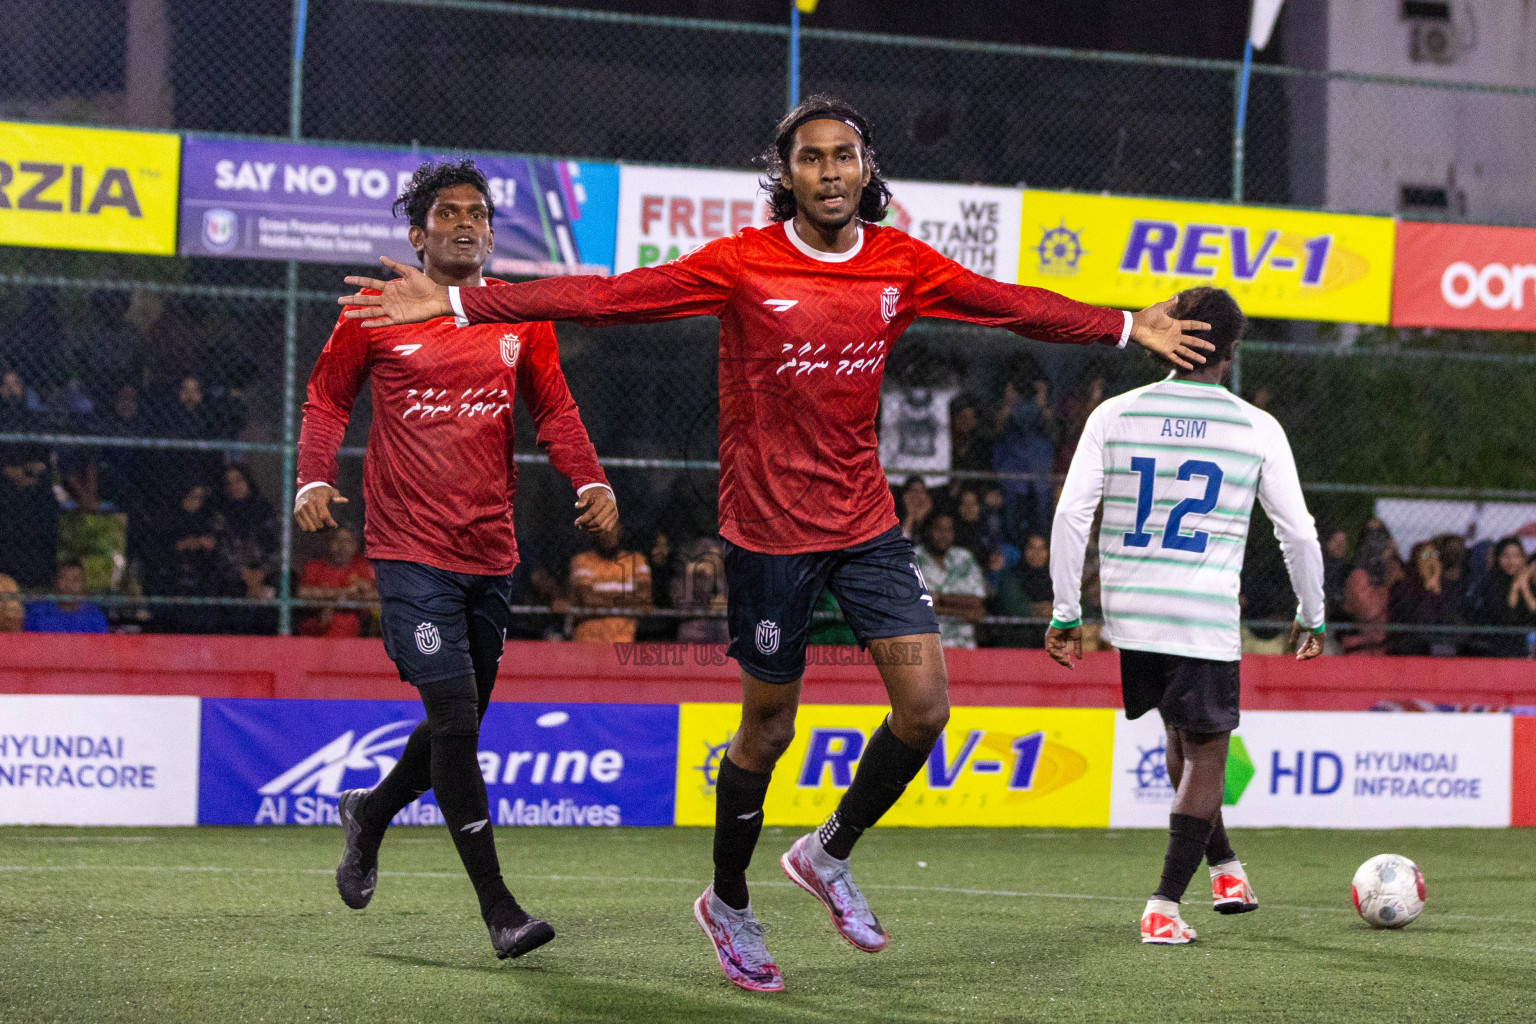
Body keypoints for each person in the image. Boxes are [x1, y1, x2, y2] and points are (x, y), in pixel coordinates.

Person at [339, 95, 1212, 991]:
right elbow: (607, 298)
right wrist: (457, 300)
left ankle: (828, 853)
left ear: (866, 170)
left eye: (844, 156)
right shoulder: (741, 264)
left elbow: (1008, 305)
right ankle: (729, 903)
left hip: (865, 528)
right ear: (784, 173)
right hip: (769, 538)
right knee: (767, 730)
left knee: (925, 709)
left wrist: (1122, 324)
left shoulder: (899, 264)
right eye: (811, 158)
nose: (829, 172)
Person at [298, 159, 617, 962]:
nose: (467, 223)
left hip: (490, 553)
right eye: (448, 214)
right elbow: (328, 397)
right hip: (409, 552)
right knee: (451, 715)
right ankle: (501, 910)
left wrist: (591, 477)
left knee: (460, 723)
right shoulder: (377, 311)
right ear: (418, 233)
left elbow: (555, 407)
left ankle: (369, 815)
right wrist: (311, 474)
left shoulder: (516, 315)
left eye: (478, 212)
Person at [1044, 286, 1324, 946]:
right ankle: (1164, 904)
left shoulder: (1115, 413)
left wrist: (1065, 612)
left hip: (1131, 609)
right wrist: (1310, 615)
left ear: (1172, 335)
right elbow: (1299, 533)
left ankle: (1225, 867)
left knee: (1181, 740)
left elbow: (1070, 515)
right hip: (1199, 613)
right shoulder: (1255, 426)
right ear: (1230, 350)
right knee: (1207, 752)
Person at [914, 513, 986, 649]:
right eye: (938, 529)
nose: (943, 535)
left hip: (964, 646)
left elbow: (977, 602)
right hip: (927, 649)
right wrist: (962, 612)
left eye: (948, 530)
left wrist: (939, 598)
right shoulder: (913, 559)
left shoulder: (965, 558)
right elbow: (918, 608)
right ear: (928, 530)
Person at [568, 526, 652, 643]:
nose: (609, 534)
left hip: (623, 642)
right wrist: (630, 602)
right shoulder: (582, 560)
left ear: (620, 531)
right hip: (588, 641)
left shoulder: (636, 560)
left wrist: (600, 601)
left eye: (613, 528)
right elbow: (588, 599)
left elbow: (644, 598)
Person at [297, 527, 377, 638]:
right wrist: (346, 594)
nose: (342, 546)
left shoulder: (361, 566)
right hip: (314, 637)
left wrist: (329, 598)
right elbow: (303, 593)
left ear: (354, 545)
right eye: (337, 540)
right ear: (328, 544)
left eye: (347, 541)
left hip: (354, 642)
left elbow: (374, 595)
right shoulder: (314, 567)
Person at [1342, 520, 1400, 655]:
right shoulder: (1359, 575)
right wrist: (1387, 586)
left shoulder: (1390, 569)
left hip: (1386, 646)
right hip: (1363, 647)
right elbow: (1369, 612)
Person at [1473, 537, 1536, 657]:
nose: (1511, 561)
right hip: (1496, 646)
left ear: (1523, 559)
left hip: (1525, 645)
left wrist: (1524, 587)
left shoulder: (1529, 583)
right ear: (1498, 558)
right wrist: (1514, 588)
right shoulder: (1492, 584)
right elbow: (1507, 619)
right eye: (1505, 556)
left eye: (1516, 556)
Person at [24, 561, 108, 634]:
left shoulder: (94, 617)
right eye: (64, 578)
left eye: (75, 580)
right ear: (55, 582)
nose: (69, 584)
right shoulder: (38, 614)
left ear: (83, 584)